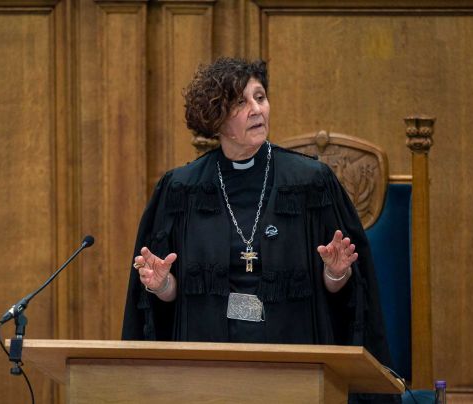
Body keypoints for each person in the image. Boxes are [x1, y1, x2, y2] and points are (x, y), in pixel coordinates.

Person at [122, 57, 398, 403]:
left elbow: (344, 299)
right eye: (241, 102)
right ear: (216, 117)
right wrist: (162, 284)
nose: (257, 110)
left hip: (293, 363)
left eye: (261, 97)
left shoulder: (310, 183)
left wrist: (336, 274)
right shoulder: (182, 190)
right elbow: (168, 307)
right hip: (209, 369)